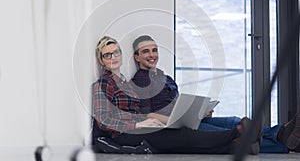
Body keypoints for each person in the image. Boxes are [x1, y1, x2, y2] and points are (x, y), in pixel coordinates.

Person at [92, 35, 261, 154]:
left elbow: (136, 113)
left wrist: (149, 121)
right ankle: (238, 133)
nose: (113, 57)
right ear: (101, 60)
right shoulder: (102, 84)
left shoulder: (125, 84)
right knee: (184, 136)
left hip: (141, 126)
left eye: (116, 52)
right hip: (125, 134)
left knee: (182, 142)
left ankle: (237, 147)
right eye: (107, 55)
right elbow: (104, 121)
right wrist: (137, 125)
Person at [131, 35, 300, 154]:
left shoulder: (165, 77)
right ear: (137, 57)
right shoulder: (140, 81)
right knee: (232, 132)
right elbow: (146, 114)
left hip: (189, 119)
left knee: (235, 120)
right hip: (177, 126)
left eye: (154, 50)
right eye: (146, 51)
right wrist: (172, 121)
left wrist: (199, 112)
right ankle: (284, 140)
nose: (152, 55)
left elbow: (178, 102)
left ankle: (282, 132)